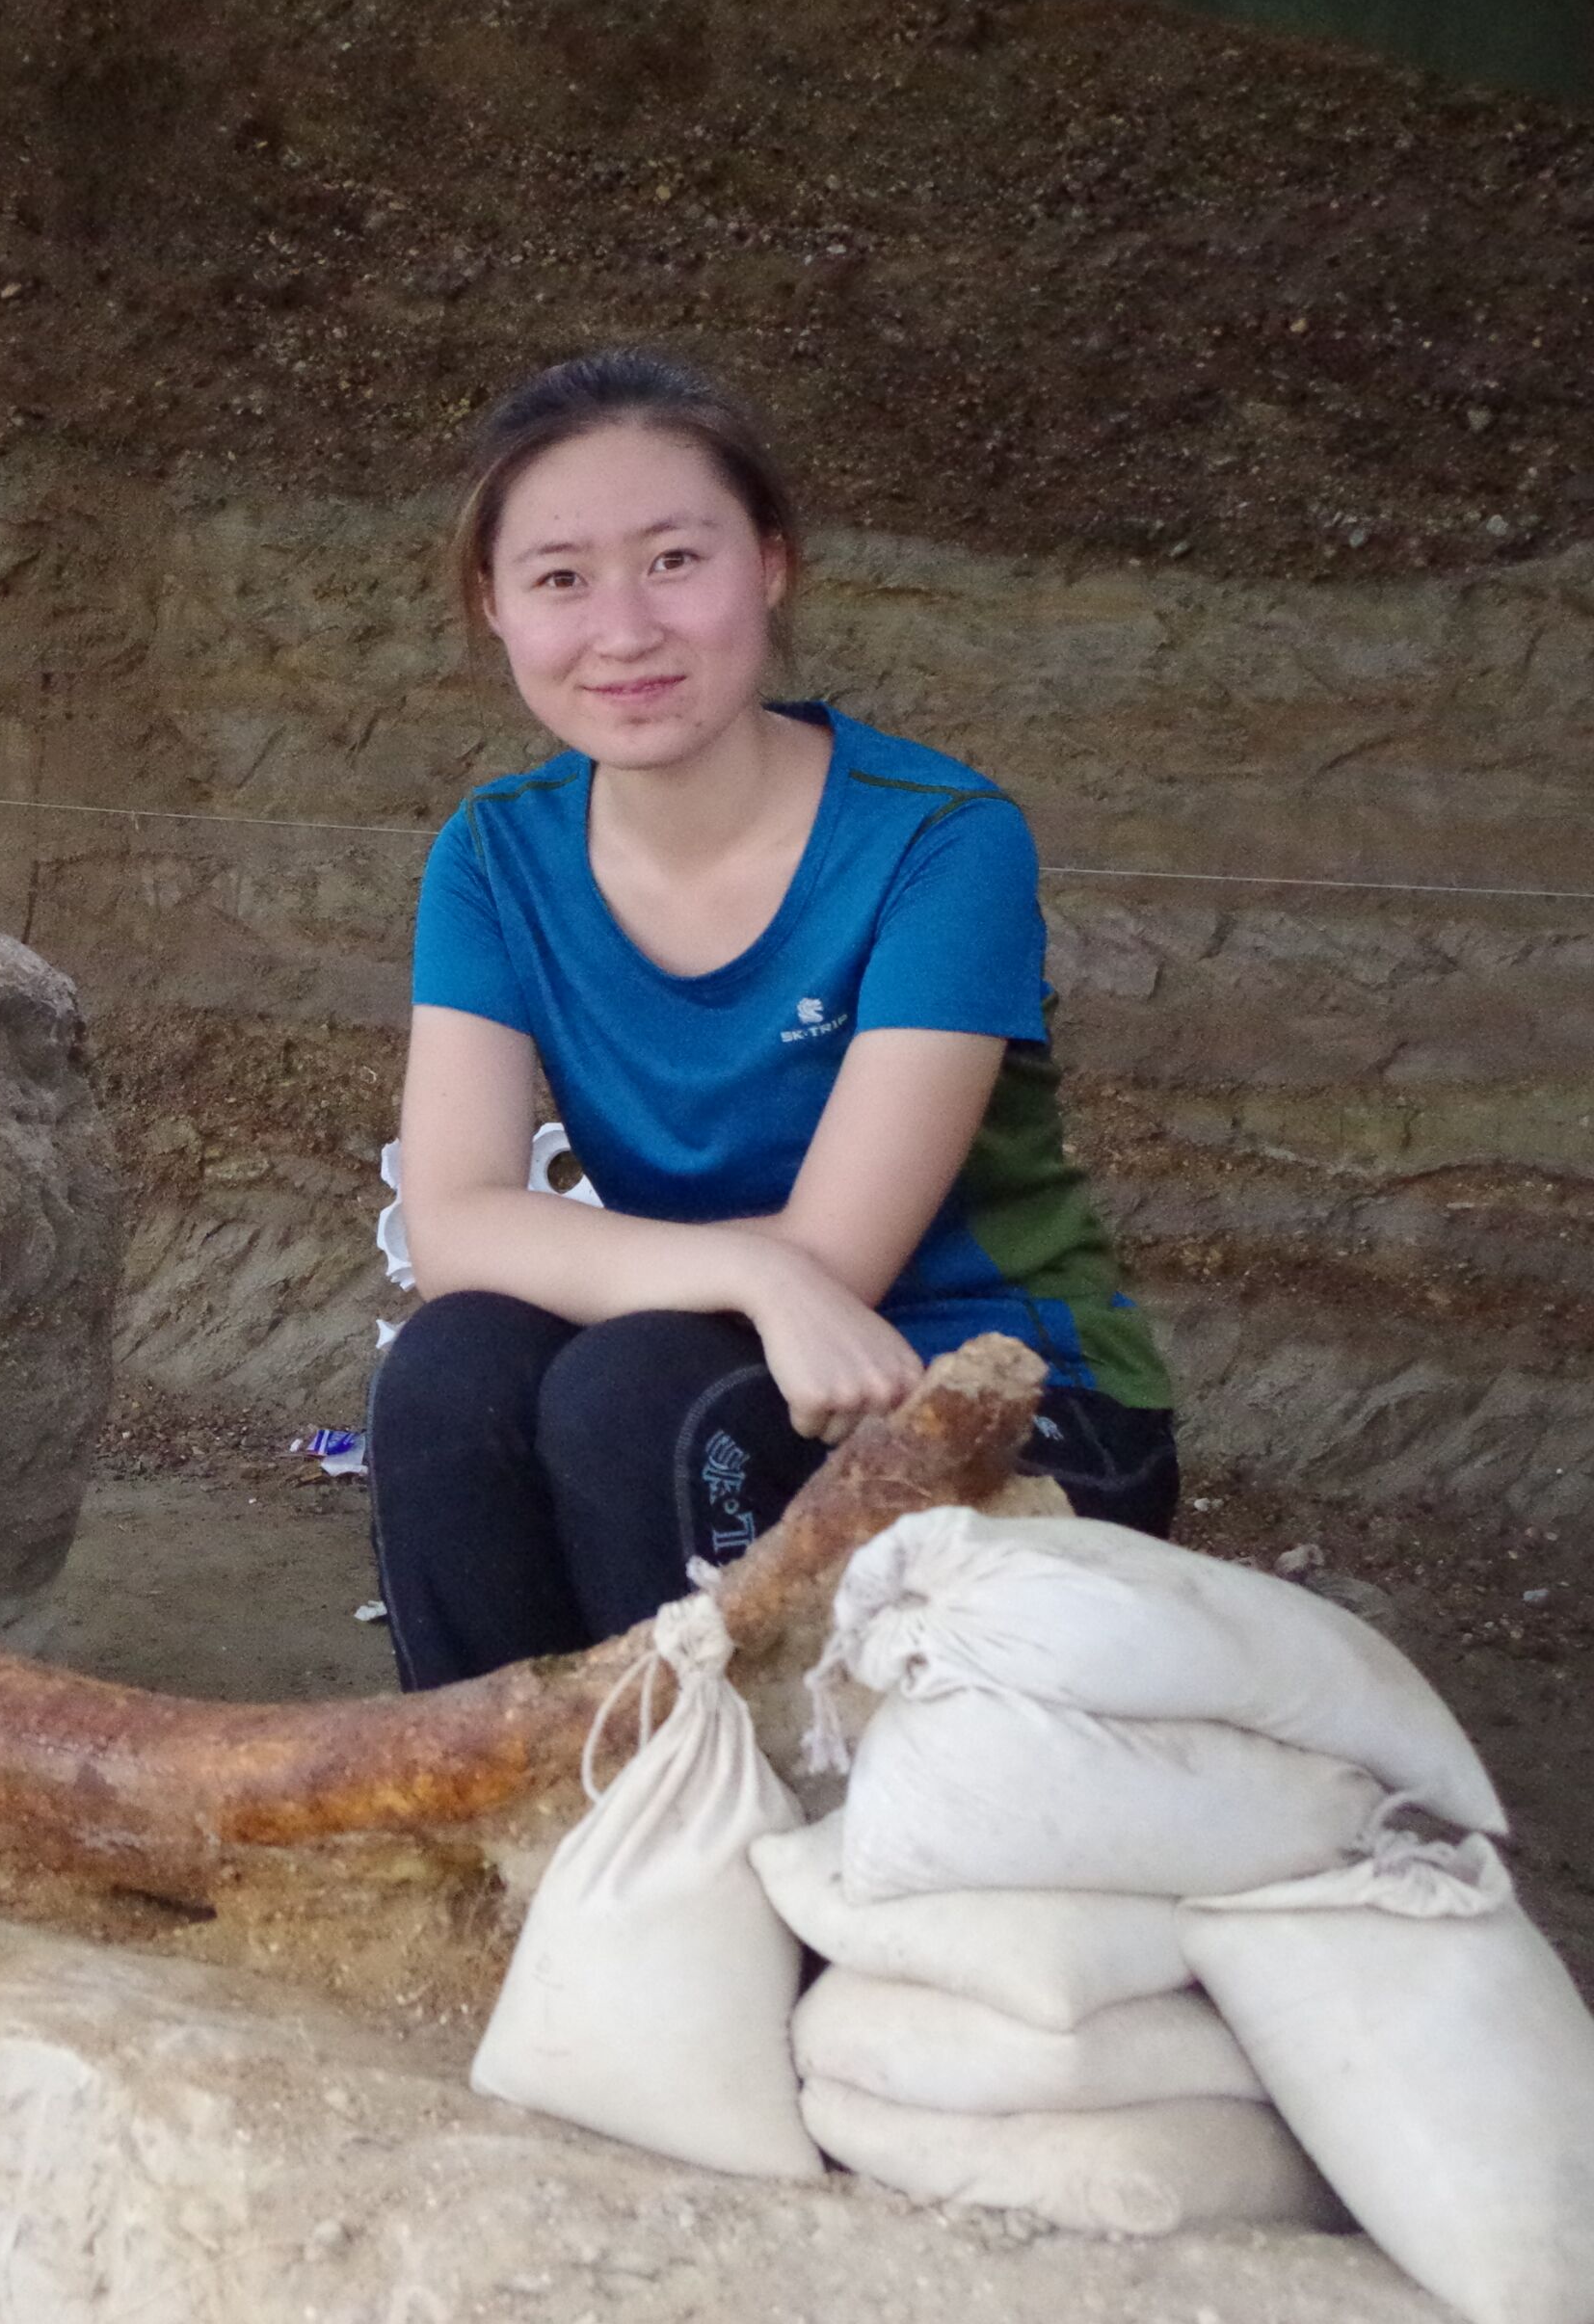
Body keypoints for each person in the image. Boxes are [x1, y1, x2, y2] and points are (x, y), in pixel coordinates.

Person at [367, 349, 1176, 1691]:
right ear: (493, 606)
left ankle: (715, 1812)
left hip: (999, 1394)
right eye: (561, 579)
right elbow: (453, 1227)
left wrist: (776, 1279)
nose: (625, 630)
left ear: (772, 566)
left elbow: (837, 1258)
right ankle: (491, 1799)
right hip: (696, 1357)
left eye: (675, 560)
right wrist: (755, 1276)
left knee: (628, 1390)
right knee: (456, 1368)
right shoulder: (497, 854)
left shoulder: (939, 840)